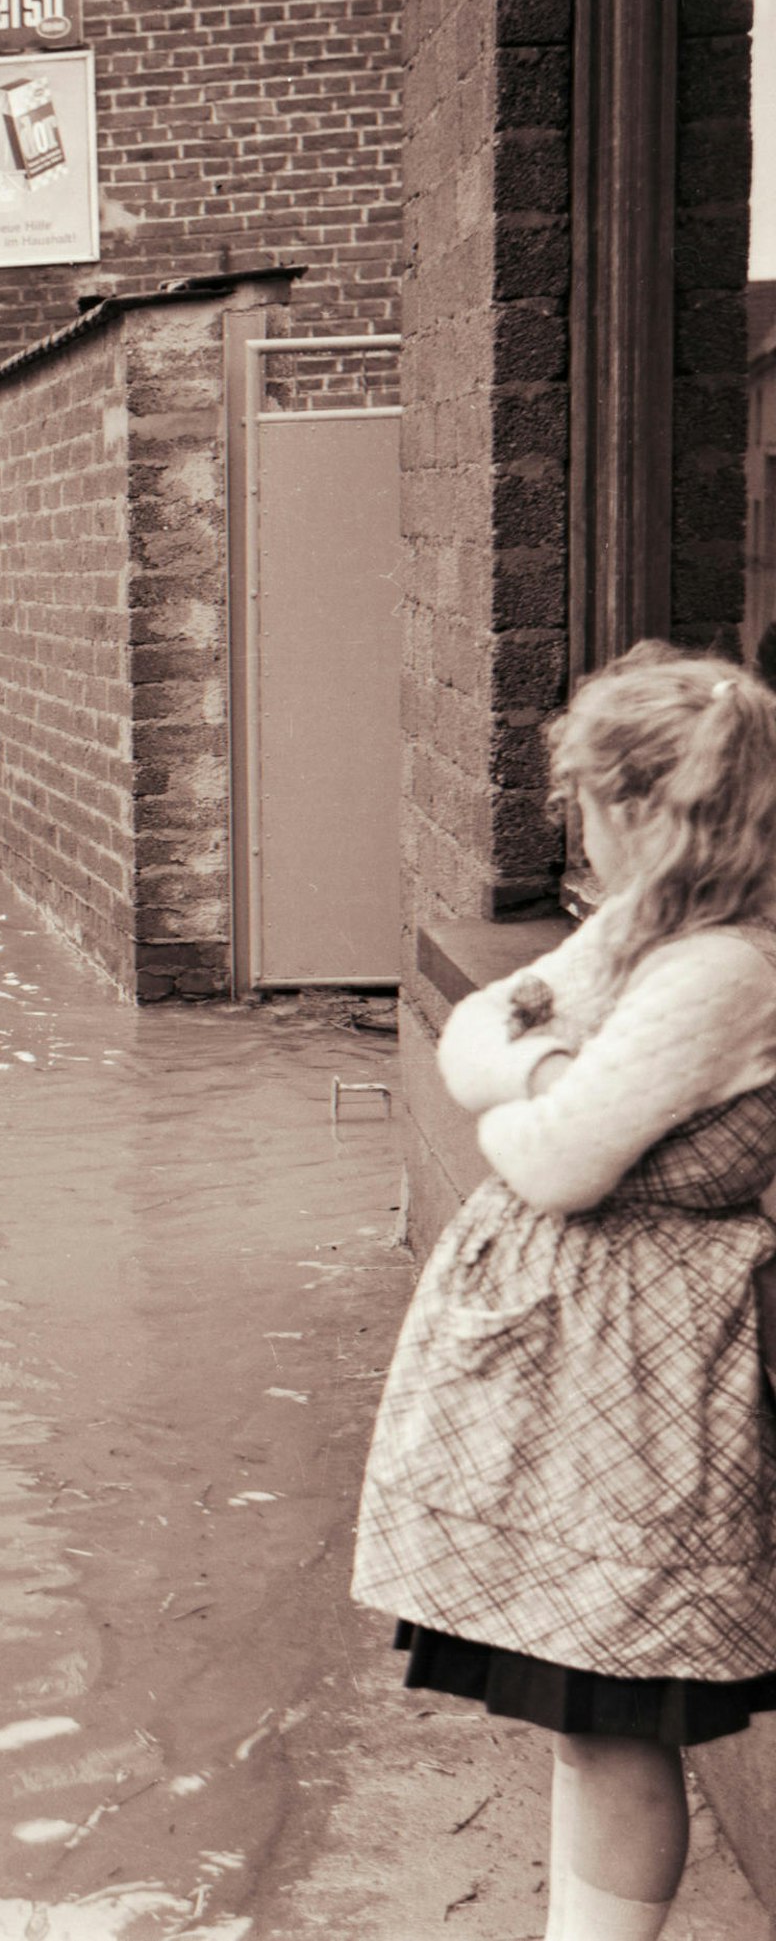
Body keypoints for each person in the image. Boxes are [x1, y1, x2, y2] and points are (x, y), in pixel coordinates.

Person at [351, 641, 776, 1941]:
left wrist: (535, 1083)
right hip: (594, 1389)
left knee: (615, 1714)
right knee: (583, 1715)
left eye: (588, 801)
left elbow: (557, 1153)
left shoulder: (717, 972)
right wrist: (537, 1057)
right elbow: (491, 1021)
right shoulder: (647, 935)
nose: (573, 827)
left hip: (651, 1392)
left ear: (646, 808)